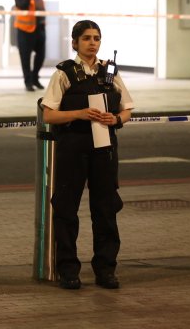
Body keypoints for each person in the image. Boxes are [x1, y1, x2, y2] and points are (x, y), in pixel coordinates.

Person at [41, 20, 134, 290]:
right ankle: (68, 270)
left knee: (106, 209)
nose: (92, 43)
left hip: (104, 147)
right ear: (74, 43)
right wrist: (79, 114)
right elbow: (49, 113)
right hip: (73, 146)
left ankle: (106, 270)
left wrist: (115, 119)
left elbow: (128, 108)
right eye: (86, 38)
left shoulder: (110, 71)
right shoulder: (64, 74)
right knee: (66, 209)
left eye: (96, 38)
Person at [14, 0, 46, 91]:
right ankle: (28, 82)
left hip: (40, 27)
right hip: (25, 30)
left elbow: (40, 5)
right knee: (25, 58)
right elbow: (22, 6)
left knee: (41, 55)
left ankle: (35, 78)